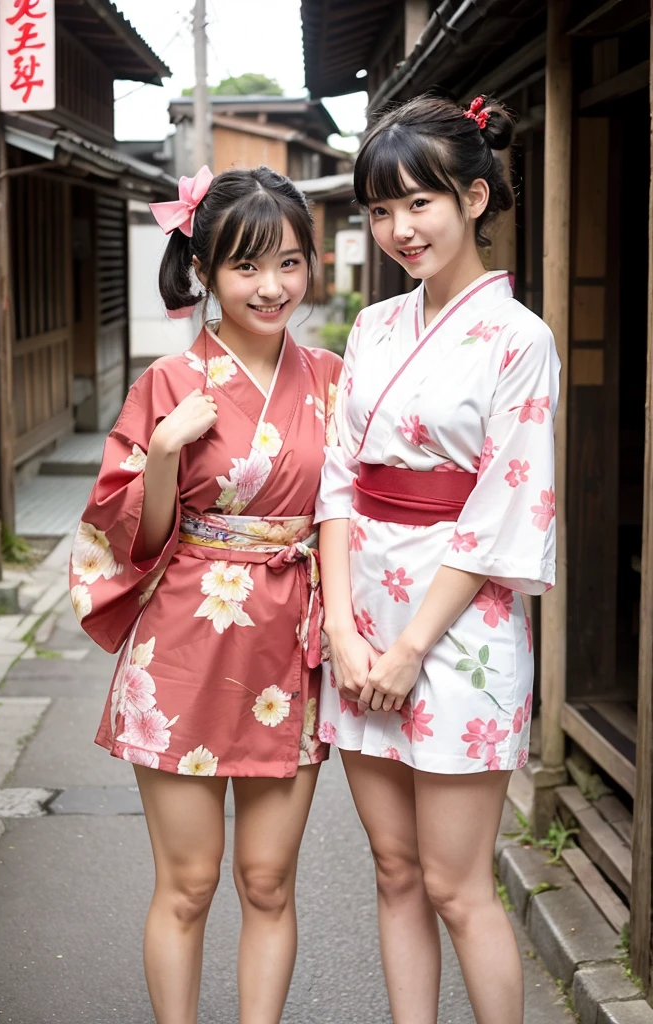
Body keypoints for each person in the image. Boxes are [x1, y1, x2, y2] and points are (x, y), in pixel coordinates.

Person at [69, 165, 341, 1024]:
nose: (272, 287)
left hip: (289, 648)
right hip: (185, 645)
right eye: (248, 266)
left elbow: (350, 517)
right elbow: (133, 542)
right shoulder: (169, 384)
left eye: (290, 264)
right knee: (188, 885)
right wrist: (159, 457)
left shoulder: (334, 376)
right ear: (206, 270)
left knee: (267, 881)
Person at [316, 94, 560, 1024]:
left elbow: (505, 507)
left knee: (460, 888)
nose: (398, 229)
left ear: (476, 197)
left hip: (457, 632)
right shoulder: (373, 330)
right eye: (380, 209)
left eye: (419, 203)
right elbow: (338, 482)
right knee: (393, 870)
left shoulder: (520, 340)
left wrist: (413, 644)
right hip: (366, 622)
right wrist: (343, 631)